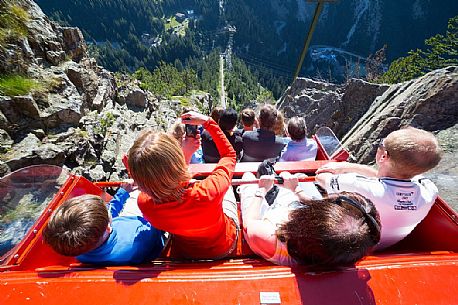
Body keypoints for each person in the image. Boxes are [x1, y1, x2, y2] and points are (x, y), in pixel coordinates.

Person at [127, 111, 239, 259]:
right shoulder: (209, 190)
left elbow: (166, 185)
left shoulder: (145, 204)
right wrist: (208, 122)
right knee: (228, 187)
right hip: (223, 247)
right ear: (176, 158)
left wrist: (185, 155)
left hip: (186, 252)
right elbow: (229, 155)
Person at [316, 127, 442, 250]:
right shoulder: (429, 190)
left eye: (382, 143)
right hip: (388, 246)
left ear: (383, 156)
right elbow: (387, 178)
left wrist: (337, 169)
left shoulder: (356, 184)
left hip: (354, 247)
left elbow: (321, 178)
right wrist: (347, 166)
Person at [240, 171, 381, 268]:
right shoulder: (344, 247)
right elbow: (315, 206)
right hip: (291, 223)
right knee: (286, 187)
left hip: (268, 223)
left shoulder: (267, 237)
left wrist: (261, 191)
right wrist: (296, 190)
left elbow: (249, 224)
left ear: (314, 220)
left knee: (247, 178)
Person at [43, 181, 165, 265]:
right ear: (107, 228)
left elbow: (108, 212)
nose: (108, 207)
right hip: (152, 239)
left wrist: (123, 193)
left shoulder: (77, 248)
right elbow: (157, 223)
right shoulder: (137, 240)